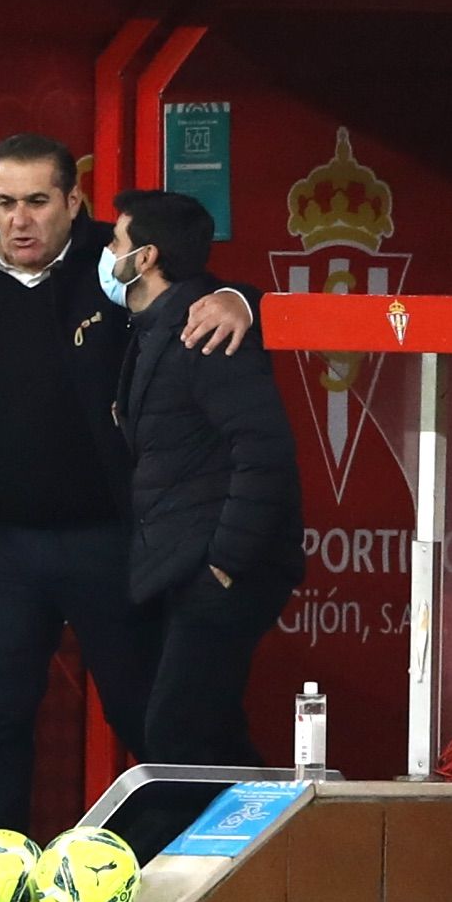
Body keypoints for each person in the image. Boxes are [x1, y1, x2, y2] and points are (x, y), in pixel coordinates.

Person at [0, 133, 258, 839]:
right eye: (5, 203)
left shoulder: (120, 259)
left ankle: (204, 862)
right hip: (3, 542)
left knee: (149, 713)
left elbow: (214, 290)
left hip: (113, 535)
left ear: (73, 200)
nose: (19, 221)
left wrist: (235, 301)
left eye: (38, 201)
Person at [102, 189, 304, 856]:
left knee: (176, 733)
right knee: (204, 730)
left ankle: (138, 867)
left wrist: (224, 561)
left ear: (145, 256)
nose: (106, 254)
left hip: (218, 568)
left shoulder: (207, 331)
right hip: (175, 563)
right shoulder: (158, 324)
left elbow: (264, 450)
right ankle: (289, 841)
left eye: (114, 242)